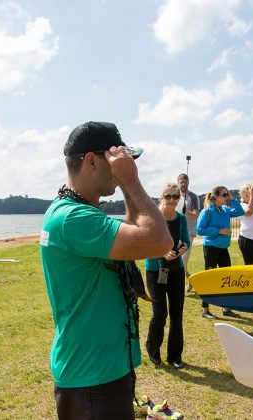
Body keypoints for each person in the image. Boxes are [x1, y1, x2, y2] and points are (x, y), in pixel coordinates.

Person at [40, 121, 172, 419]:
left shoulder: (76, 213)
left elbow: (136, 233)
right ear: (90, 161)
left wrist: (125, 182)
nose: (121, 167)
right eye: (113, 161)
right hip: (91, 379)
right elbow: (159, 240)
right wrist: (130, 181)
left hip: (102, 368)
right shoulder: (72, 219)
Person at [145, 182, 190, 369]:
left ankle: (174, 356)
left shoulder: (180, 218)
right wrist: (163, 253)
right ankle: (153, 350)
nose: (172, 200)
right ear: (161, 197)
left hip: (176, 271)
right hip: (155, 269)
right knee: (160, 313)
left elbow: (185, 240)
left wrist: (181, 249)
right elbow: (146, 244)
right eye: (168, 196)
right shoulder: (153, 217)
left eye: (175, 196)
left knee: (176, 315)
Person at [196, 186, 244, 319]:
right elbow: (199, 229)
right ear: (215, 196)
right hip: (211, 248)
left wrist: (233, 199)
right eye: (224, 194)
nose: (226, 197)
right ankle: (205, 310)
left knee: (226, 277)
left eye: (227, 194)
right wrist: (218, 231)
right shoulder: (207, 211)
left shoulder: (225, 210)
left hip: (223, 249)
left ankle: (226, 308)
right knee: (209, 278)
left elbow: (240, 211)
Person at [176, 173, 200, 292]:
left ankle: (178, 288)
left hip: (189, 233)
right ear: (178, 183)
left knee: (183, 261)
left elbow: (196, 215)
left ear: (188, 183)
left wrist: (187, 212)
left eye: (185, 182)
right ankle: (191, 281)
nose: (183, 184)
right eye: (181, 182)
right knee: (177, 260)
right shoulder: (174, 196)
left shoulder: (194, 197)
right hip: (175, 232)